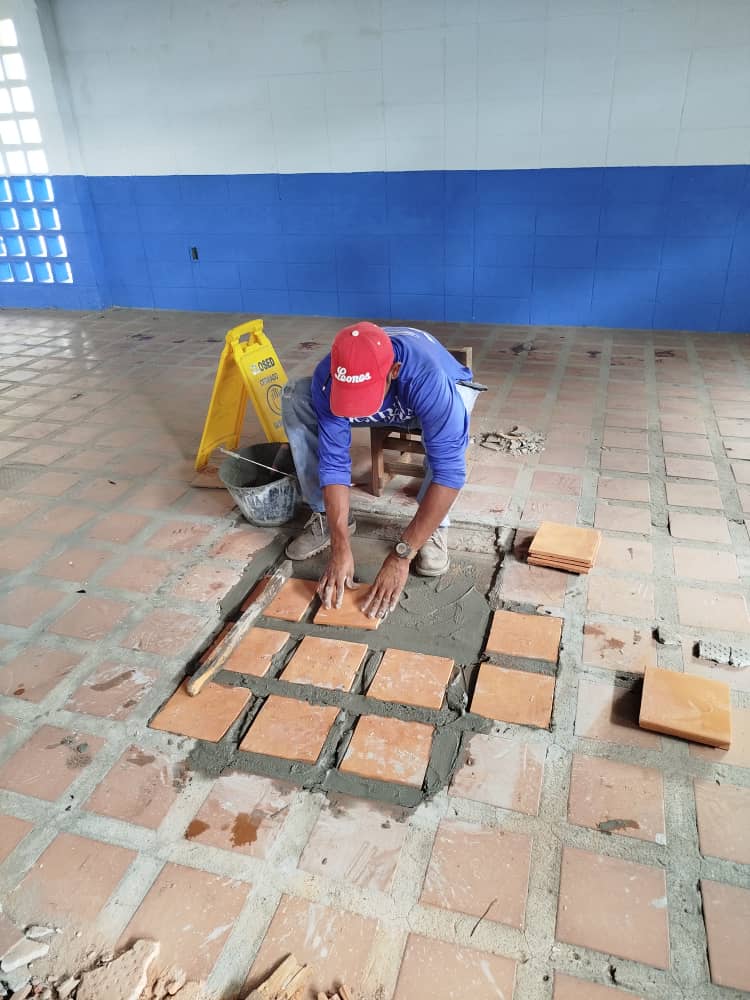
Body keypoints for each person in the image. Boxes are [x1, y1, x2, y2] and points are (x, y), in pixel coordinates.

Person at [281, 322, 483, 620]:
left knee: (448, 437)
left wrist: (402, 554)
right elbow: (334, 463)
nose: (355, 407)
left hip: (429, 396)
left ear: (394, 371)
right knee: (295, 395)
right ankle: (327, 517)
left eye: (361, 395)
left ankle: (433, 529)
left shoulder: (427, 379)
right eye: (350, 396)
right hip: (393, 397)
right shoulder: (329, 377)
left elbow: (449, 474)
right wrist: (340, 545)